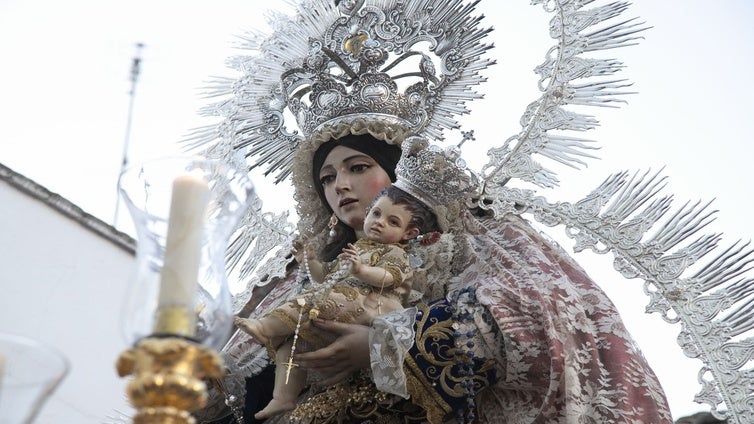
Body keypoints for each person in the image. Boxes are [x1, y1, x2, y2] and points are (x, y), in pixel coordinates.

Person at [192, 1, 677, 422]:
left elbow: (543, 314)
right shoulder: (301, 271)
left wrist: (384, 345)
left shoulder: (476, 234)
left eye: (358, 167)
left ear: (398, 171)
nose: (340, 186)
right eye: (326, 177)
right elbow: (234, 373)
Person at [233, 184, 440, 419]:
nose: (380, 222)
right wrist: (308, 261)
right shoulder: (358, 247)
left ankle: (264, 328)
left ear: (409, 233)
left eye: (393, 222)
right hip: (341, 303)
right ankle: (283, 397)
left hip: (369, 306)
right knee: (292, 346)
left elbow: (390, 277)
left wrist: (361, 270)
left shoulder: (395, 253)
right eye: (376, 214)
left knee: (308, 302)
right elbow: (327, 275)